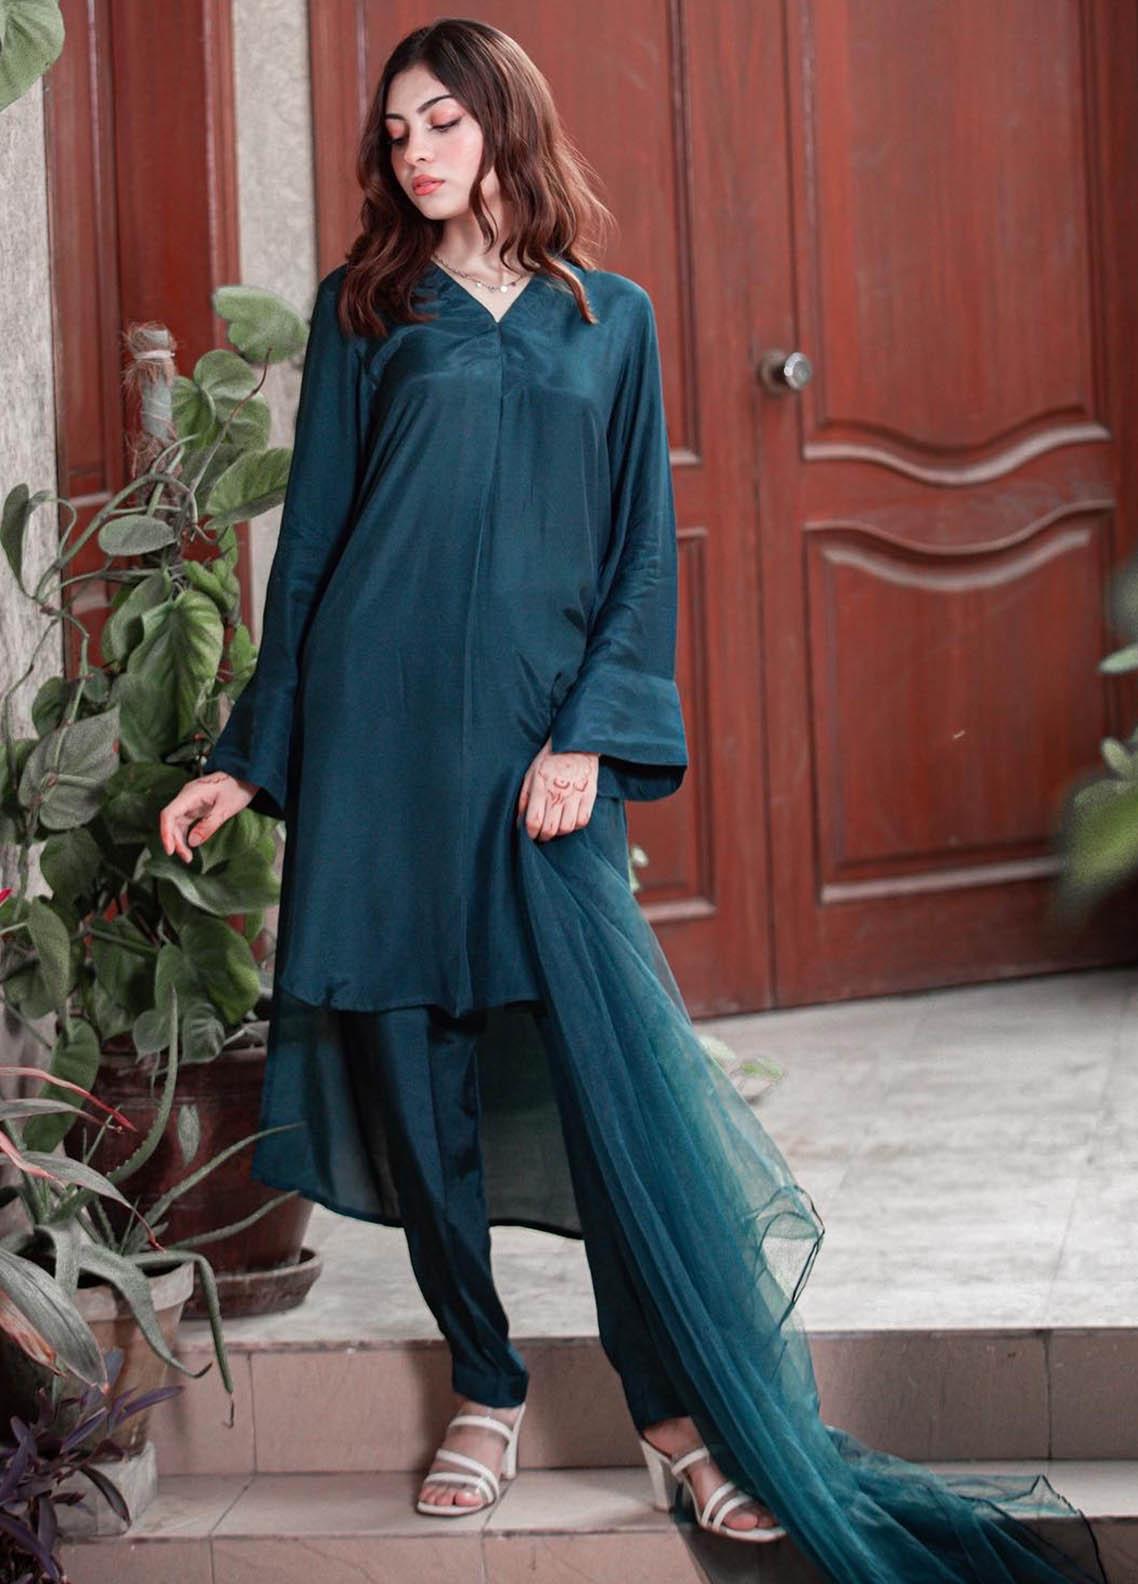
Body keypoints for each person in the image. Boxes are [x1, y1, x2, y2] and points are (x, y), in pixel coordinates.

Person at [159, 19, 1111, 1583]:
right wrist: (247, 754)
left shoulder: (610, 320)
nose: (415, 150)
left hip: (540, 759)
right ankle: (484, 1388)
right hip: (382, 751)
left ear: (502, 123)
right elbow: (312, 545)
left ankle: (675, 1417)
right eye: (395, 130)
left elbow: (634, 555)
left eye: (442, 120)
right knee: (415, 1075)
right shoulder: (363, 309)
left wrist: (590, 742)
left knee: (607, 1100)